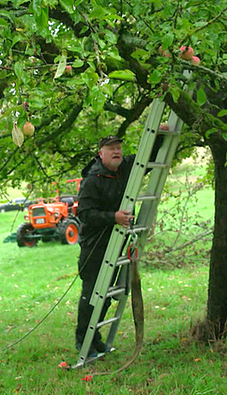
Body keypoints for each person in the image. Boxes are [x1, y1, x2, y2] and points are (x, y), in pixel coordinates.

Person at [74, 134, 161, 357]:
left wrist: (160, 135)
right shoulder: (92, 180)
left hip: (116, 244)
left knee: (105, 294)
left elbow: (148, 157)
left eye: (119, 148)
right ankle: (83, 341)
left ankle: (95, 338)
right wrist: (113, 217)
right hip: (94, 246)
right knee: (92, 294)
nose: (116, 152)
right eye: (111, 148)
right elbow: (84, 213)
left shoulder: (127, 168)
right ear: (100, 154)